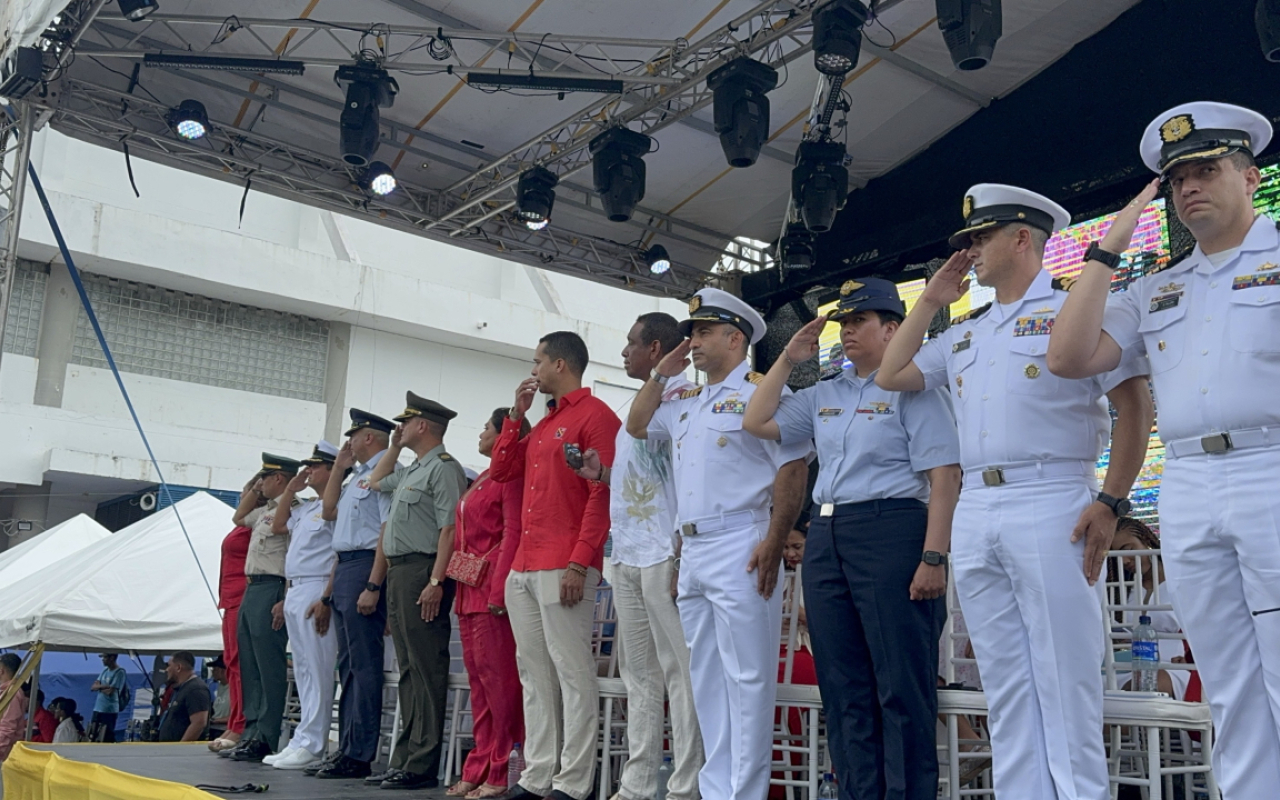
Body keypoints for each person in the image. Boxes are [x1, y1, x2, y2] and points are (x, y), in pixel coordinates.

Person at [877, 184, 1154, 800]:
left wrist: (1110, 502)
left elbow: (1136, 409)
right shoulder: (968, 333)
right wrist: (930, 301)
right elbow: (892, 374)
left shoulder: (1076, 310)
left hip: (1052, 494)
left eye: (979, 238)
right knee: (1003, 684)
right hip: (979, 505)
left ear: (1021, 237)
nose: (969, 251)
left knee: (1066, 680)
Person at [1046, 101, 1280, 800]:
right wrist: (1107, 249)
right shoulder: (1158, 287)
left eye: (1206, 170)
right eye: (1177, 179)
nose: (1188, 189)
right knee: (1229, 686)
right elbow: (1067, 356)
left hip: (1271, 469)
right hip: (1190, 483)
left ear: (1250, 175)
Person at [744, 278, 962, 800]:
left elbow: (944, 475)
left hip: (893, 528)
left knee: (899, 685)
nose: (847, 333)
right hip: (828, 532)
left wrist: (934, 554)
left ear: (893, 329)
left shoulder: (913, 388)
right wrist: (789, 359)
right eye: (843, 324)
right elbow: (757, 420)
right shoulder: (825, 392)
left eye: (859, 322)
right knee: (842, 686)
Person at [627, 288, 811, 800]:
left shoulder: (765, 394)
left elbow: (792, 469)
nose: (694, 343)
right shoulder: (683, 399)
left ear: (737, 338)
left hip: (742, 540)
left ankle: (745, 792)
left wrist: (775, 541)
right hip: (693, 548)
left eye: (704, 332)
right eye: (692, 334)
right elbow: (637, 424)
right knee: (706, 677)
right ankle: (716, 789)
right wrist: (662, 373)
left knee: (748, 677)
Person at [574, 312, 704, 800]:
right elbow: (642, 481)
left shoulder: (685, 401)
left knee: (681, 671)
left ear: (656, 350)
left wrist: (678, 552)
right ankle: (638, 784)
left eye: (632, 344)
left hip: (663, 553)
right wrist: (601, 475)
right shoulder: (644, 400)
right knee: (640, 675)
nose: (624, 352)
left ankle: (686, 785)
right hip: (627, 552)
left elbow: (684, 483)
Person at [491, 331, 621, 800]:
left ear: (560, 365)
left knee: (572, 671)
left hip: (562, 561)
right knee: (534, 673)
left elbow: (601, 494)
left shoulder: (598, 417)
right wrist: (514, 417)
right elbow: (503, 471)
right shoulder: (542, 424)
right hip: (524, 563)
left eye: (538, 362)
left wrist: (579, 562)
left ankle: (574, 780)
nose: (533, 371)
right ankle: (538, 773)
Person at [365, 392, 468, 790]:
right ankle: (405, 756)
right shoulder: (412, 469)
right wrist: (393, 447)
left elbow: (449, 529)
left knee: (426, 667)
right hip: (400, 571)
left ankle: (421, 763)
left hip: (423, 570)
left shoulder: (443, 469)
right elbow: (375, 481)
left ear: (422, 425)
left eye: (404, 424)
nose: (399, 429)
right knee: (408, 667)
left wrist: (437, 582)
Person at [447, 408, 527, 800]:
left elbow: (511, 533)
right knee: (478, 685)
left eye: (486, 427)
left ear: (503, 437)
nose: (481, 433)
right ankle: (478, 764)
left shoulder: (508, 475)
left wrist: (497, 587)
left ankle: (501, 767)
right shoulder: (482, 478)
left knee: (500, 686)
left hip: (490, 589)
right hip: (467, 590)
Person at [312, 409, 396, 780]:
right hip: (345, 565)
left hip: (365, 566)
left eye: (354, 435)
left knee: (363, 667)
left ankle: (360, 752)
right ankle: (346, 747)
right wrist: (341, 468)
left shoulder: (385, 472)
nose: (348, 442)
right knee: (347, 666)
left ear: (370, 437)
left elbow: (385, 532)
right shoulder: (356, 478)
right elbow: (329, 510)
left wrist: (374, 584)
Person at [265, 441, 340, 771]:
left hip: (317, 585)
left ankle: (314, 743)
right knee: (305, 670)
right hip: (296, 587)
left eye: (316, 466)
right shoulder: (308, 507)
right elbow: (279, 525)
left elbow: (340, 554)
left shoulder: (336, 506)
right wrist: (291, 490)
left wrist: (327, 596)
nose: (308, 471)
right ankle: (302, 739)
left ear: (333, 469)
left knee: (319, 670)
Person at [226, 453, 301, 762]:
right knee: (250, 664)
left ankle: (266, 735)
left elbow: (294, 557)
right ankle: (252, 729)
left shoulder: (294, 510)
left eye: (265, 479)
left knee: (268, 665)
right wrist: (256, 491)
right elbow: (238, 516)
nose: (260, 483)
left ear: (279, 479)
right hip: (252, 585)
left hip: (273, 586)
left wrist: (286, 597)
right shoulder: (264, 511)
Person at [1109, 518, 1197, 701]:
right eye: (1117, 555)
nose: (1125, 561)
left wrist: (1191, 660)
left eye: (1129, 550)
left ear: (1146, 541)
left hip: (1173, 667)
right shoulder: (1121, 590)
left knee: (1141, 689)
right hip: (1127, 667)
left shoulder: (1181, 582)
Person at [209, 484, 254, 753]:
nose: (242, 497)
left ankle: (240, 723)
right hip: (230, 596)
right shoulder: (243, 524)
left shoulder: (254, 522)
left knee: (240, 662)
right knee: (231, 662)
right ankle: (234, 721)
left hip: (241, 594)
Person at [159, 652, 212, 743]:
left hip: (182, 753)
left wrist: (181, 747)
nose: (166, 670)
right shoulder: (181, 688)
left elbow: (199, 723)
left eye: (169, 666)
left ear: (178, 667)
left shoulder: (196, 689)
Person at [89, 652, 127, 742]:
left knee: (107, 736)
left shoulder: (120, 672)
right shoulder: (104, 671)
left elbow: (110, 692)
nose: (102, 660)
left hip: (109, 710)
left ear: (112, 658)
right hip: (98, 708)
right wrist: (104, 686)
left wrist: (100, 687)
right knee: (93, 734)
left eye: (105, 657)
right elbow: (93, 686)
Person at [0, 654, 26, 760]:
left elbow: (7, 728)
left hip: (4, 756)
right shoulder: (7, 692)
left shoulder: (12, 694)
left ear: (1, 670)